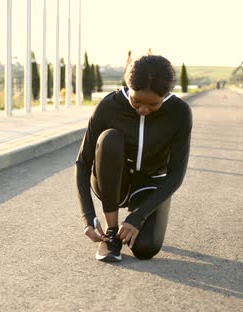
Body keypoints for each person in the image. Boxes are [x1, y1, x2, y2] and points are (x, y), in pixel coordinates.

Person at [75, 55, 192, 262]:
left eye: (153, 105)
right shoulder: (109, 106)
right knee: (110, 139)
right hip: (112, 181)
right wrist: (88, 217)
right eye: (136, 101)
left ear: (165, 95)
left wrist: (139, 217)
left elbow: (176, 175)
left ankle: (138, 213)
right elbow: (83, 164)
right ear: (128, 85)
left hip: (149, 185)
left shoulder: (179, 113)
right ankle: (111, 233)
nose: (143, 110)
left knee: (145, 249)